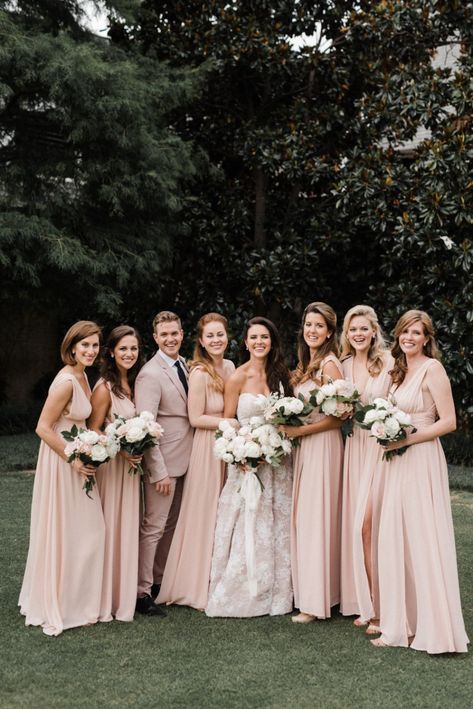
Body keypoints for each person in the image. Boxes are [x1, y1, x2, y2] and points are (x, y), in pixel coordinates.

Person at [371, 310, 469, 653]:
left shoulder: (433, 369)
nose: (409, 338)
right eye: (404, 332)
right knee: (394, 536)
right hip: (395, 461)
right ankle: (399, 623)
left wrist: (406, 441)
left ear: (427, 338)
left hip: (421, 458)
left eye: (416, 333)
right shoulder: (397, 371)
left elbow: (449, 422)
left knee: (421, 536)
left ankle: (432, 626)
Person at [19, 321, 106, 636]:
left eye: (95, 345)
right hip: (62, 462)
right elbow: (43, 427)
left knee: (87, 530)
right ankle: (62, 602)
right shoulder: (66, 381)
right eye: (85, 345)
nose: (91, 351)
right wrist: (72, 458)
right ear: (72, 347)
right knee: (75, 529)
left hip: (78, 456)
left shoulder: (84, 375)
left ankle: (76, 600)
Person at [206, 316, 293, 617]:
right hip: (248, 464)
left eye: (265, 337)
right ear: (245, 343)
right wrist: (241, 455)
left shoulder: (281, 374)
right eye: (254, 338)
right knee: (249, 523)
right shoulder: (237, 377)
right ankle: (245, 590)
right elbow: (229, 423)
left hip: (278, 463)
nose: (259, 342)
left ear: (272, 342)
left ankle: (281, 591)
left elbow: (287, 419)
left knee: (279, 523)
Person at [157, 313, 235, 610]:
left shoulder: (229, 367)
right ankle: (194, 582)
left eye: (220, 334)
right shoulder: (199, 372)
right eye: (210, 336)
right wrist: (230, 425)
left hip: (231, 447)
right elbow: (195, 417)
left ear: (228, 337)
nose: (216, 340)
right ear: (201, 341)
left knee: (226, 512)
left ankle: (221, 577)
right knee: (205, 511)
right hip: (208, 447)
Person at [281, 302, 344, 623]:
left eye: (319, 326)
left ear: (330, 331)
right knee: (305, 518)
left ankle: (315, 604)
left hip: (322, 446)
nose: (312, 331)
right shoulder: (308, 364)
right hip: (306, 446)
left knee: (315, 519)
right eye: (308, 325)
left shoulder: (330, 365)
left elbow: (337, 420)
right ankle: (310, 592)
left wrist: (299, 430)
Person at [135, 311, 194, 616]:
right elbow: (146, 427)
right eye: (164, 335)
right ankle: (141, 592)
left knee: (171, 525)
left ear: (182, 333)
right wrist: (157, 470)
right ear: (155, 338)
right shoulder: (149, 374)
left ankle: (159, 581)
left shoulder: (184, 364)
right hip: (164, 465)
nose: (171, 339)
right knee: (154, 526)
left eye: (175, 333)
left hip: (185, 460)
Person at [339, 305, 393, 630]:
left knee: (370, 527)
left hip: (377, 448)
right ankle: (367, 602)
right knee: (359, 531)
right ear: (346, 334)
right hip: (353, 450)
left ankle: (383, 609)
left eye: (363, 328)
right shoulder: (343, 365)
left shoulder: (387, 363)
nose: (358, 334)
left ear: (373, 331)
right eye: (352, 329)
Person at [89, 325, 144, 622]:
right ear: (111, 352)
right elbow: (94, 429)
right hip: (113, 469)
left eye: (133, 348)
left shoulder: (133, 383)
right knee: (112, 529)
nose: (129, 354)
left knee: (127, 528)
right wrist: (121, 449)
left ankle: (125, 594)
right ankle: (106, 599)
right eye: (123, 348)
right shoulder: (104, 387)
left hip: (131, 470)